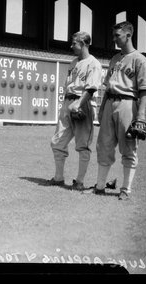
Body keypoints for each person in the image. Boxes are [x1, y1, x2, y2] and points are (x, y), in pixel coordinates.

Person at [84, 21, 146, 200]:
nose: (114, 39)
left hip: (128, 104)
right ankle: (99, 187)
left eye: (117, 36)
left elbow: (145, 89)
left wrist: (141, 115)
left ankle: (126, 190)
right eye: (114, 35)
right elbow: (107, 86)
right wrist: (101, 106)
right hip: (110, 103)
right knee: (103, 146)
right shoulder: (115, 58)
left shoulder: (139, 60)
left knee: (128, 147)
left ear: (128, 35)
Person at [46, 31, 102, 190]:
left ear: (84, 44)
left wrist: (78, 104)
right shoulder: (73, 62)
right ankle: (58, 178)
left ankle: (79, 181)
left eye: (74, 43)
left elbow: (91, 89)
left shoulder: (94, 63)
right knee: (57, 141)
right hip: (68, 102)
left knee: (83, 145)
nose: (71, 46)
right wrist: (68, 104)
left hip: (82, 103)